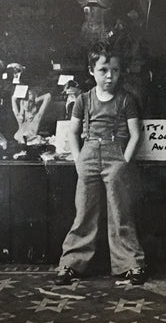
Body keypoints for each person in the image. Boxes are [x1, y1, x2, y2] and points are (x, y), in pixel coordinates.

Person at [55, 41, 145, 286]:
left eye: (115, 70)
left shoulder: (126, 100)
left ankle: (131, 264)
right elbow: (73, 132)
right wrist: (78, 159)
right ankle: (71, 263)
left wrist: (125, 161)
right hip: (88, 156)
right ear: (91, 70)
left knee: (120, 212)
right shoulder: (83, 100)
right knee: (84, 212)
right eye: (103, 70)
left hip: (116, 158)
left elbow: (135, 134)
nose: (109, 76)